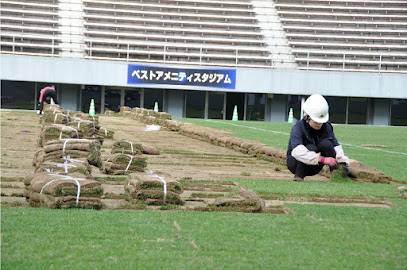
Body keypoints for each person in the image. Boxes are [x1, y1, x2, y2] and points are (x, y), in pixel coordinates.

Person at [286, 94, 350, 181]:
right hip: (296, 164)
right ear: (307, 117)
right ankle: (299, 176)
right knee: (310, 147)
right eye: (316, 121)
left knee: (326, 144)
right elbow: (297, 152)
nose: (319, 124)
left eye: (321, 121)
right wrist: (323, 159)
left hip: (316, 166)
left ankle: (336, 175)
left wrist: (342, 162)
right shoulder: (298, 128)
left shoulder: (327, 127)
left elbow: (335, 146)